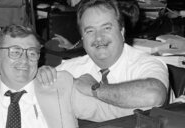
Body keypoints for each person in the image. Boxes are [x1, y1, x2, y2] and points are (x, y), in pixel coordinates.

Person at [37, 0, 169, 121]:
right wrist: (41, 75)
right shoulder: (71, 69)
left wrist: (94, 88)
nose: (98, 38)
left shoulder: (148, 64)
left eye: (106, 28)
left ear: (122, 32)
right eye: (90, 31)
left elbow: (153, 95)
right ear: (82, 39)